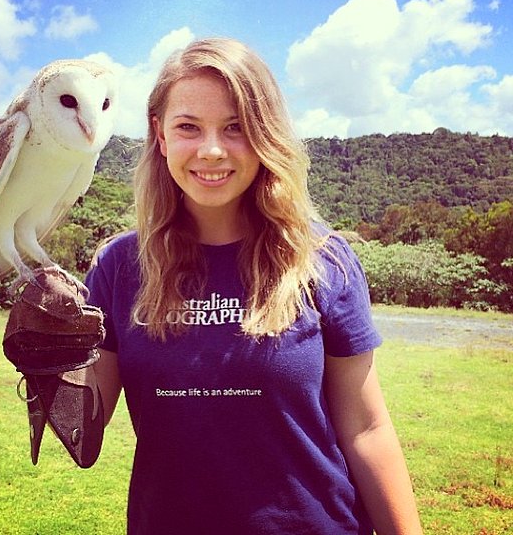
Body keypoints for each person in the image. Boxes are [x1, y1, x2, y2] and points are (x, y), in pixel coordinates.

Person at [86, 37, 423, 534]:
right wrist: (47, 364)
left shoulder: (322, 261)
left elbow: (367, 429)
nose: (212, 149)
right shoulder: (119, 267)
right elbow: (85, 437)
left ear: (265, 133)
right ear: (159, 135)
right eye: (188, 127)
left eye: (236, 127)